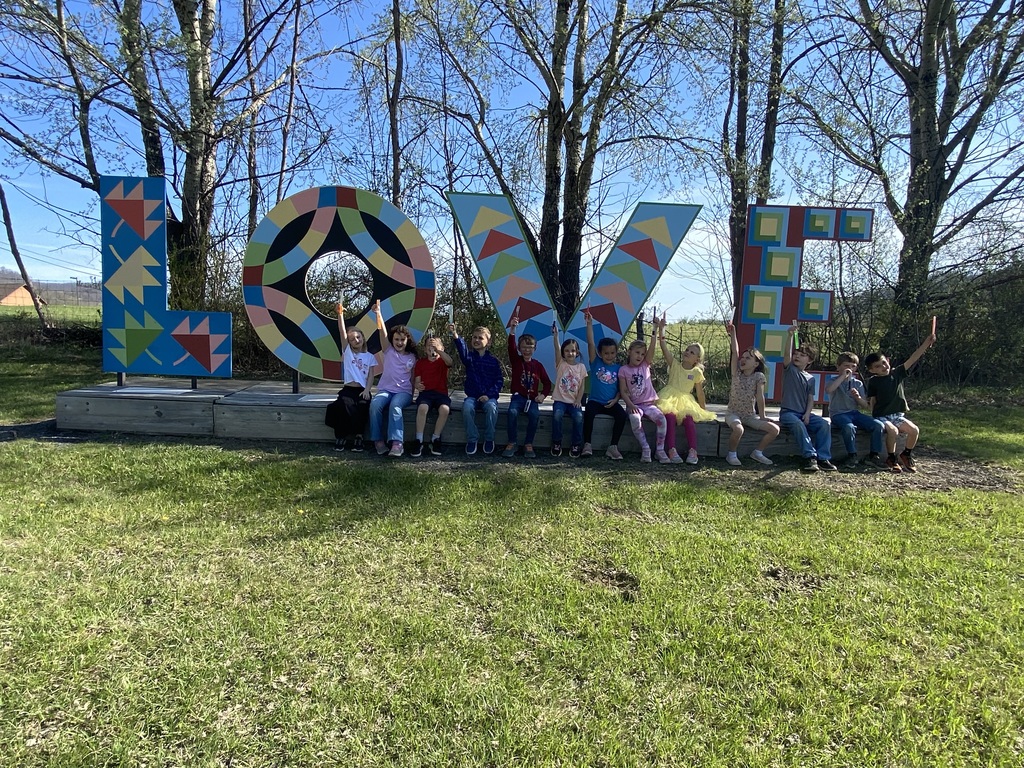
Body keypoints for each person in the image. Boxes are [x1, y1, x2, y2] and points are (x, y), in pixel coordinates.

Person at [865, 329, 937, 473]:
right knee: (892, 431)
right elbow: (873, 400)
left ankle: (906, 454)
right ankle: (891, 458)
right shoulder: (873, 381)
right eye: (878, 366)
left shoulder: (897, 373)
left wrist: (926, 343)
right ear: (872, 370)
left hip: (897, 415)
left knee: (914, 430)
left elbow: (913, 358)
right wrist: (873, 416)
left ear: (888, 361)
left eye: (884, 363)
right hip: (881, 415)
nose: (883, 367)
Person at [655, 315, 717, 465]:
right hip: (670, 396)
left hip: (686, 399)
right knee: (669, 416)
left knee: (688, 420)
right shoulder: (675, 365)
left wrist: (703, 409)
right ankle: (671, 449)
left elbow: (699, 392)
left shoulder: (696, 372)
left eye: (692, 352)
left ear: (697, 359)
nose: (687, 352)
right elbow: (664, 348)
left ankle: (692, 451)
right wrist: (661, 329)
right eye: (687, 349)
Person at [779, 324, 836, 472]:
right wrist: (790, 336)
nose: (797, 356)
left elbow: (810, 398)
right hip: (788, 413)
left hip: (804, 413)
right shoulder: (790, 370)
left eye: (802, 355)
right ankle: (810, 457)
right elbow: (786, 355)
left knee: (824, 424)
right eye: (796, 353)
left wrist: (807, 413)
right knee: (798, 424)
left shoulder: (811, 378)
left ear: (809, 361)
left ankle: (823, 457)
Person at [722, 320, 780, 466]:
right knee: (738, 429)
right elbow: (735, 351)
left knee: (774, 429)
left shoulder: (758, 377)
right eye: (743, 357)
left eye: (748, 357)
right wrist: (733, 332)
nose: (743, 359)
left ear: (756, 364)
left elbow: (760, 397)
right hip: (733, 413)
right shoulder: (736, 373)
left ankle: (758, 452)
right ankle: (731, 454)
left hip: (749, 416)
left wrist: (763, 416)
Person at [825, 351, 892, 470]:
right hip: (838, 414)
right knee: (848, 427)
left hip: (854, 413)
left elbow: (864, 405)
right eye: (846, 366)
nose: (850, 369)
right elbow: (829, 390)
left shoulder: (857, 383)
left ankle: (873, 455)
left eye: (853, 366)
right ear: (838, 367)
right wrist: (842, 377)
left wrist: (857, 397)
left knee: (878, 425)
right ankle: (852, 455)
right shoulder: (833, 380)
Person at [368, 299, 418, 457]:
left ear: (407, 340)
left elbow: (413, 377)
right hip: (385, 390)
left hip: (403, 393)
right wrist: (378, 314)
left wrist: (413, 395)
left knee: (395, 407)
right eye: (396, 339)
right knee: (375, 404)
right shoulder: (388, 351)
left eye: (402, 340)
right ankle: (378, 441)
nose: (399, 342)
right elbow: (382, 331)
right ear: (392, 340)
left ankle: (397, 443)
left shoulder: (412, 357)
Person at [327, 302, 377, 452]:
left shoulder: (369, 357)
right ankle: (341, 436)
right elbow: (342, 332)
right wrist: (340, 314)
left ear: (362, 337)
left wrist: (368, 390)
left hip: (362, 389)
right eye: (352, 339)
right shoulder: (348, 353)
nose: (356, 340)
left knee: (363, 406)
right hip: (349, 389)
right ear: (348, 343)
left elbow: (371, 376)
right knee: (343, 406)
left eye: (358, 336)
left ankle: (359, 436)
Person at [617, 324, 669, 463]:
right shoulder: (623, 370)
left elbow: (652, 348)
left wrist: (655, 329)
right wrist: (630, 404)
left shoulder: (645, 365)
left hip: (649, 404)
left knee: (662, 420)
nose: (640, 356)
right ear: (629, 352)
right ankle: (645, 448)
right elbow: (623, 391)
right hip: (634, 405)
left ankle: (660, 450)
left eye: (642, 354)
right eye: (637, 352)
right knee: (634, 419)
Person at [502, 315, 551, 458]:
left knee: (535, 415)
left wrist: (542, 395)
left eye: (529, 348)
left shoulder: (538, 365)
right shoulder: (516, 361)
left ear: (535, 348)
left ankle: (528, 444)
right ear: (519, 348)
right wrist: (512, 329)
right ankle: (512, 442)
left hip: (533, 399)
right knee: (512, 412)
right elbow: (510, 347)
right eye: (523, 348)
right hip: (518, 397)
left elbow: (547, 383)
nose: (526, 351)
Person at [451, 323, 503, 455]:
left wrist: (489, 395)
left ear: (488, 342)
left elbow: (499, 381)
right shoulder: (469, 358)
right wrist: (456, 335)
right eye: (474, 337)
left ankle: (489, 439)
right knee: (467, 408)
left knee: (492, 408)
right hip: (472, 397)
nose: (476, 340)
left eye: (480, 338)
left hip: (488, 397)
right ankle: (472, 439)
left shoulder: (493, 361)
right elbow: (462, 350)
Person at [582, 309, 627, 460]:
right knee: (588, 414)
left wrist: (616, 400)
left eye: (612, 353)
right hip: (595, 401)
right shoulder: (596, 363)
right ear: (600, 353)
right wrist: (589, 324)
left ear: (616, 353)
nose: (609, 356)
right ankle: (587, 444)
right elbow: (590, 343)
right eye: (606, 353)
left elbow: (622, 389)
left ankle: (613, 447)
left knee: (622, 415)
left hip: (611, 402)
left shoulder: (619, 368)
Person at [409, 333, 453, 457]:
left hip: (441, 394)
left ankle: (435, 438)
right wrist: (418, 385)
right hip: (426, 394)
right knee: (422, 408)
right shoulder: (421, 363)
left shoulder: (442, 362)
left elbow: (450, 361)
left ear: (442, 348)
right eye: (429, 345)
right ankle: (419, 439)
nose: (432, 348)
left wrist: (438, 351)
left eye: (435, 345)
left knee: (444, 409)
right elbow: (417, 380)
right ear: (424, 349)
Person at [550, 322, 588, 457]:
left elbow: (582, 386)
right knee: (557, 415)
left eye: (572, 350)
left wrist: (579, 400)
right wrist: (556, 336)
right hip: (560, 400)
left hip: (574, 402)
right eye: (566, 351)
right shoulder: (561, 364)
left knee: (578, 417)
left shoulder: (581, 367)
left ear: (577, 352)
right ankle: (556, 442)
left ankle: (576, 444)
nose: (570, 353)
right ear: (563, 353)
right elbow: (556, 348)